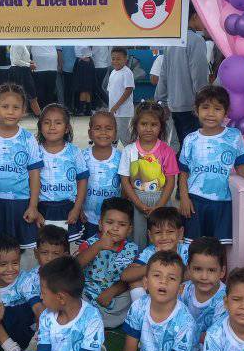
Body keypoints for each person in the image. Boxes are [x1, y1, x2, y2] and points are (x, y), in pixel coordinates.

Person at [178, 84, 244, 245]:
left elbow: (240, 165)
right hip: (195, 202)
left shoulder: (234, 136)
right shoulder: (190, 139)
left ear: (226, 112)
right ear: (196, 110)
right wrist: (183, 198)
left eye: (217, 109)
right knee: (193, 246)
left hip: (223, 202)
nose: (211, 113)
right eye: (205, 107)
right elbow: (183, 173)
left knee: (220, 247)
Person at [0, 83, 42, 250]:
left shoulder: (28, 139)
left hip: (19, 204)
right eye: (5, 107)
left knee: (17, 250)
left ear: (24, 110)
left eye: (16, 107)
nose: (10, 112)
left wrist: (33, 206)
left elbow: (34, 173)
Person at [0, 226, 69, 351]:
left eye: (56, 253)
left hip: (35, 328)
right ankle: (19, 348)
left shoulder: (25, 280)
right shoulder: (29, 278)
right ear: (36, 253)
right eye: (45, 253)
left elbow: (39, 308)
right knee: (0, 311)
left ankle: (70, 340)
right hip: (1, 331)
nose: (50, 258)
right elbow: (37, 308)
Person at [119, 100, 178, 247]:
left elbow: (170, 181)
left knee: (161, 237)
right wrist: (138, 203)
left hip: (161, 200)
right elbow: (125, 180)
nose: (148, 129)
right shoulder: (129, 150)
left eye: (154, 124)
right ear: (136, 125)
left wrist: (160, 205)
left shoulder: (167, 151)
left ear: (161, 126)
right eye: (144, 124)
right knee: (137, 239)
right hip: (136, 201)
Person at [75, 196, 139, 327]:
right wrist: (98, 246)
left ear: (129, 229)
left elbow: (130, 278)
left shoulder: (132, 249)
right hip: (88, 291)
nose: (115, 228)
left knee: (132, 293)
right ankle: (90, 319)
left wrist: (112, 291)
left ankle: (98, 321)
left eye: (122, 225)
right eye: (109, 223)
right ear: (100, 224)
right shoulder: (90, 243)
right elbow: (76, 265)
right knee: (74, 290)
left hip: (116, 295)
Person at [156, 9, 210, 146]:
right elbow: (199, 74)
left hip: (174, 105)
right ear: (195, 16)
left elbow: (163, 73)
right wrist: (204, 101)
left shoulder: (173, 41)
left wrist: (161, 100)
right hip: (192, 105)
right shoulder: (196, 40)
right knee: (194, 146)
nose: (205, 22)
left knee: (183, 145)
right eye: (203, 17)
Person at [112, 206, 188, 304]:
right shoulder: (149, 252)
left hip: (181, 298)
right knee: (135, 281)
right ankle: (142, 310)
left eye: (170, 232)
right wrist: (153, 266)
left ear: (180, 233)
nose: (164, 237)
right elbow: (125, 275)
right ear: (150, 236)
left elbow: (193, 274)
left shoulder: (187, 250)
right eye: (158, 232)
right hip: (156, 298)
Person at [35, 103, 88, 243]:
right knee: (43, 245)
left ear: (67, 128)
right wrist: (34, 209)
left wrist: (77, 208)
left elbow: (82, 181)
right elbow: (28, 182)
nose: (52, 127)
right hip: (42, 209)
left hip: (67, 208)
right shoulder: (35, 151)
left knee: (63, 247)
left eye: (58, 123)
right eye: (47, 122)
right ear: (40, 127)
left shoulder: (74, 152)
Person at [180, 236, 227, 351]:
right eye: (198, 269)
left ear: (222, 271)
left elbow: (217, 336)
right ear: (189, 268)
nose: (204, 276)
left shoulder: (226, 299)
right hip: (182, 349)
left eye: (211, 270)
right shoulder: (183, 290)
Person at [81, 110, 121, 242]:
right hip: (87, 217)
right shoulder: (82, 156)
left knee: (112, 249)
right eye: (97, 128)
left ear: (115, 133)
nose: (103, 132)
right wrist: (78, 208)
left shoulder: (121, 157)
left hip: (113, 220)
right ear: (90, 133)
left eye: (108, 128)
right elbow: (76, 186)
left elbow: (126, 187)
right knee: (88, 249)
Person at [105, 46, 136, 143]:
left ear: (125, 59)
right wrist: (111, 107)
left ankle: (132, 151)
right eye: (113, 59)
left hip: (123, 112)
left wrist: (116, 106)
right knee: (114, 133)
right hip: (114, 111)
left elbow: (128, 90)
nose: (115, 61)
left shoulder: (127, 72)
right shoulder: (113, 72)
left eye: (118, 59)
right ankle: (111, 150)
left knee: (124, 135)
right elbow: (111, 91)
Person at [30, 44, 60, 111]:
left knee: (39, 90)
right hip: (52, 61)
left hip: (38, 62)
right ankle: (48, 110)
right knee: (50, 90)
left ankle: (41, 110)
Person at [72, 45, 97, 115]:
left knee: (83, 90)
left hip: (83, 61)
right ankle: (88, 110)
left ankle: (81, 110)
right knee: (87, 90)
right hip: (88, 61)